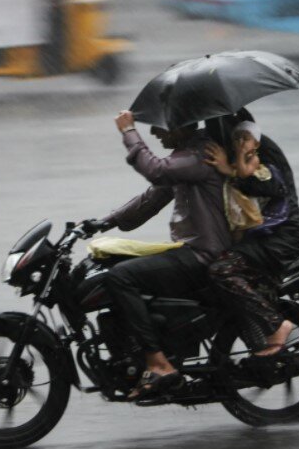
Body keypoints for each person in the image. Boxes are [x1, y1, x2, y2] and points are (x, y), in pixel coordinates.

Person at [88, 110, 231, 400]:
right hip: (193, 250)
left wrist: (129, 131)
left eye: (159, 128)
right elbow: (152, 197)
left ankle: (158, 362)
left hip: (203, 255)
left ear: (180, 126)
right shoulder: (185, 157)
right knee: (120, 266)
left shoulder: (198, 155)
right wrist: (104, 222)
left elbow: (156, 171)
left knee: (121, 277)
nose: (155, 134)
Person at [204, 120, 299, 356]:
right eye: (236, 139)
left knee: (221, 270)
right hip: (263, 238)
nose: (239, 142)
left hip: (278, 239)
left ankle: (275, 324)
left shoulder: (262, 157)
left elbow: (267, 185)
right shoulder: (245, 152)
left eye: (243, 138)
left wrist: (229, 167)